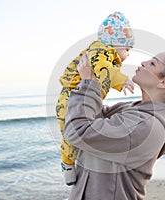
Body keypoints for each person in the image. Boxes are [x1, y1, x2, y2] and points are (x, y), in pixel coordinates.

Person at [63, 50, 165, 199]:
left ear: (164, 82)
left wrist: (88, 83)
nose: (143, 63)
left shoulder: (146, 125)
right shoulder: (133, 109)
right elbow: (88, 116)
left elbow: (78, 131)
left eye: (152, 63)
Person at [56, 11, 135, 185]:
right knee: (71, 133)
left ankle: (74, 163)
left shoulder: (105, 53)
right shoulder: (100, 49)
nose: (128, 54)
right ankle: (67, 164)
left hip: (79, 96)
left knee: (78, 131)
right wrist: (122, 80)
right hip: (70, 97)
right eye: (127, 49)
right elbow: (103, 69)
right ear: (116, 44)